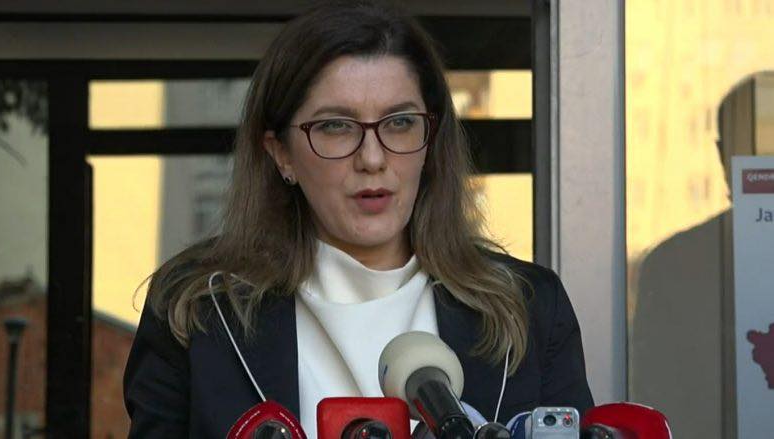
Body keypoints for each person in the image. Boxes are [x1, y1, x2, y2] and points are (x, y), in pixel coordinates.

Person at [123, 1, 594, 437]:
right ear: (281, 153)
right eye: (336, 126)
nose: (372, 158)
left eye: (400, 122)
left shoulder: (529, 308)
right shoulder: (196, 311)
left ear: (430, 142)